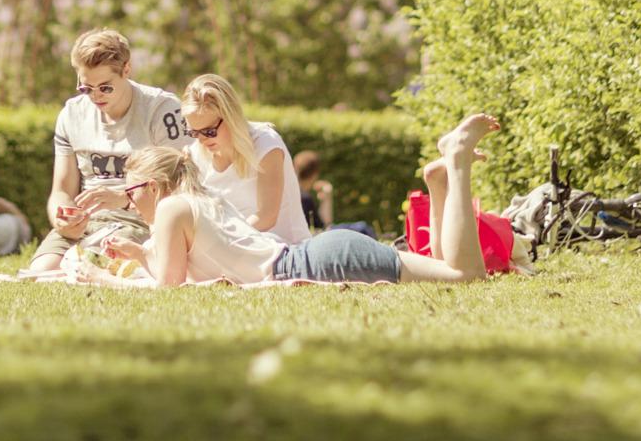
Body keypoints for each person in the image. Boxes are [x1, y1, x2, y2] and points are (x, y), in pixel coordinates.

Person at [109, 115, 499, 286]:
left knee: (465, 276)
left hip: (324, 263)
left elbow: (169, 285)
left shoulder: (171, 208)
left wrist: (116, 270)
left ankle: (457, 159)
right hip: (323, 255)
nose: (130, 203)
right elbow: (188, 273)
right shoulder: (198, 200)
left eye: (131, 192)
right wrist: (139, 255)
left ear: (156, 186)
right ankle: (439, 182)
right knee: (445, 268)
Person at [24, 29, 188, 278]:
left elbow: (181, 185)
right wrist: (62, 220)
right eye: (85, 88)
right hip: (87, 224)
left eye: (105, 88)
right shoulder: (71, 114)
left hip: (141, 220)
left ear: (126, 70)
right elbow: (61, 190)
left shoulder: (162, 110)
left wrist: (123, 198)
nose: (95, 96)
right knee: (41, 272)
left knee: (94, 268)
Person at [180, 74, 310, 244]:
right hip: (233, 253)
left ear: (231, 117)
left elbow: (267, 216)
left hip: (282, 252)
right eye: (193, 132)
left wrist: (221, 241)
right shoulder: (196, 154)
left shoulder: (265, 144)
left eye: (209, 131)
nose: (202, 140)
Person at [294, 150, 335, 232]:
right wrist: (327, 199)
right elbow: (325, 228)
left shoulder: (288, 193)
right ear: (315, 174)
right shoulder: (305, 199)